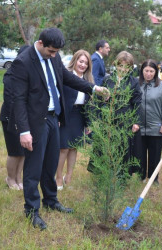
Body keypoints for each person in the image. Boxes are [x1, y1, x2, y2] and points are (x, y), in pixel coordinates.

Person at [7, 27, 109, 230]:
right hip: (35, 122)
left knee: (51, 162)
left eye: (56, 52)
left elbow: (66, 77)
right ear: (40, 43)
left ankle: (51, 200)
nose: (54, 55)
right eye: (51, 51)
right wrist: (24, 130)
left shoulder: (53, 58)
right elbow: (17, 99)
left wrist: (93, 88)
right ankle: (32, 210)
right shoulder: (23, 62)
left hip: (54, 119)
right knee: (34, 167)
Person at [100, 51, 142, 179]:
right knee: (107, 147)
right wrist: (103, 103)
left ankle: (122, 176)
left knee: (123, 147)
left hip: (125, 120)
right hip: (108, 120)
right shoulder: (107, 79)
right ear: (115, 64)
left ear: (131, 67)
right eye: (120, 65)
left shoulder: (133, 82)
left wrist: (136, 122)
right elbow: (99, 99)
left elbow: (137, 103)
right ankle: (105, 174)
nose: (123, 69)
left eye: (127, 66)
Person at [56, 50, 94, 190]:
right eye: (80, 61)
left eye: (86, 63)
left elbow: (89, 105)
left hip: (79, 115)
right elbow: (59, 98)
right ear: (75, 61)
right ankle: (58, 178)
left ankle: (69, 177)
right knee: (64, 148)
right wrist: (58, 116)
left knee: (73, 148)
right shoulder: (67, 77)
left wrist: (88, 123)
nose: (83, 65)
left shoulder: (87, 81)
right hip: (66, 115)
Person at [0, 45, 29, 191]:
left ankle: (18, 178)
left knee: (23, 151)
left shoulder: (27, 74)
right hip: (10, 117)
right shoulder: (10, 75)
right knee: (14, 151)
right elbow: (10, 99)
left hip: (24, 118)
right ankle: (10, 178)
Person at [138, 59, 162, 185]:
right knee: (140, 153)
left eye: (151, 71)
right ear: (142, 71)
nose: (149, 74)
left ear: (156, 72)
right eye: (146, 70)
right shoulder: (136, 83)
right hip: (139, 126)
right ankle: (140, 176)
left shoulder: (161, 85)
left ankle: (153, 178)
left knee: (155, 154)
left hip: (156, 126)